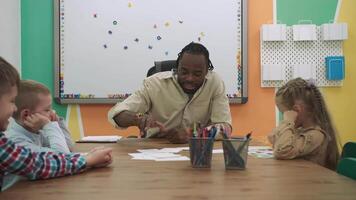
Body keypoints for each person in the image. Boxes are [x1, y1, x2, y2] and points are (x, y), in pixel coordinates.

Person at [0, 56, 113, 191]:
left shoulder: (35, 131)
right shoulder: (13, 140)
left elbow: (66, 149)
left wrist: (56, 121)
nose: (14, 108)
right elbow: (46, 162)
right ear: (26, 114)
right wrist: (88, 160)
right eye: (11, 101)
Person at [108, 42, 232, 143]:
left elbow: (225, 127)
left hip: (199, 150)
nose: (189, 78)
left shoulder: (215, 83)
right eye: (184, 72)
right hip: (155, 150)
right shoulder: (154, 84)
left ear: (207, 72)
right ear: (176, 68)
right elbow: (117, 114)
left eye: (197, 74)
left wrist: (192, 134)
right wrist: (138, 118)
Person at [267, 78, 339, 170]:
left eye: (283, 113)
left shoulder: (317, 135)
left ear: (296, 110)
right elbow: (272, 137)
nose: (285, 117)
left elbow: (282, 151)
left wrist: (288, 122)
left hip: (311, 183)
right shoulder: (300, 130)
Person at [6, 80, 73, 153]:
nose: (53, 112)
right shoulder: (17, 143)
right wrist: (50, 125)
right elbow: (63, 157)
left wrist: (57, 122)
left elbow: (68, 147)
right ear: (26, 115)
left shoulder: (37, 131)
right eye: (47, 110)